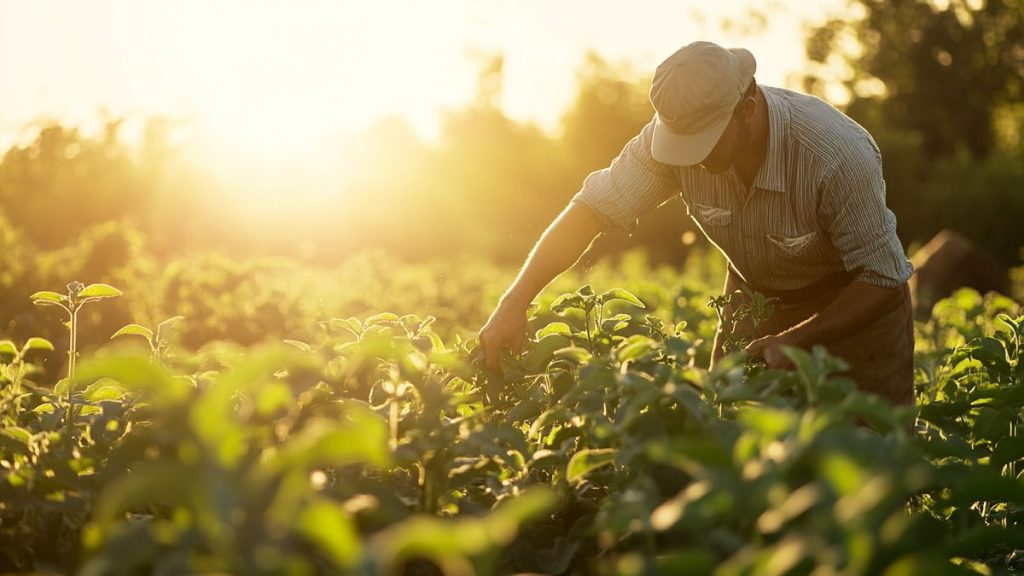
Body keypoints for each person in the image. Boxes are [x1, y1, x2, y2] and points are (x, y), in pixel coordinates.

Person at [477, 41, 915, 406]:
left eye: (704, 141)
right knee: (729, 448)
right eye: (681, 142)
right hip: (754, 299)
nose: (693, 157)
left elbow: (883, 279)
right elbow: (591, 210)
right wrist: (514, 302)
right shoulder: (670, 141)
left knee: (871, 469)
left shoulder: (834, 154)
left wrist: (798, 339)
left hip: (852, 309)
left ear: (746, 108)